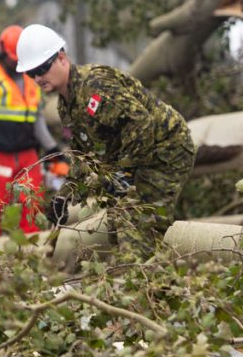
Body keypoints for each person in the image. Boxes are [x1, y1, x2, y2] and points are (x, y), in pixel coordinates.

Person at [14, 24, 195, 251]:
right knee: (117, 225)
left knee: (138, 227)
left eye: (42, 68)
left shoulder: (95, 85)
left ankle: (150, 279)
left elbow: (141, 122)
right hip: (138, 157)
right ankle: (157, 277)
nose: (38, 78)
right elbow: (84, 157)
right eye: (31, 73)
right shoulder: (66, 106)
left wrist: (123, 172)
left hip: (166, 149)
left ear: (61, 58)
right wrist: (64, 196)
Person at [0, 24, 61, 237]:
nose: (16, 61)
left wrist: (54, 152)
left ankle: (34, 253)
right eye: (12, 57)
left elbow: (37, 121)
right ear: (2, 53)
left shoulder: (32, 79)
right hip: (0, 157)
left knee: (33, 205)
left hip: (28, 156)